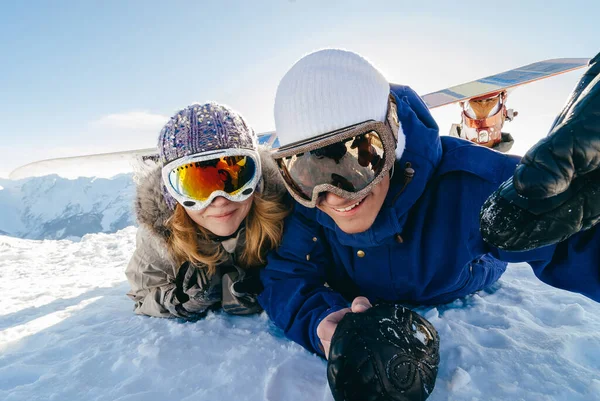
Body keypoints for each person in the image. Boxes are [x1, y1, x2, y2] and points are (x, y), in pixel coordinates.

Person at [257, 49, 600, 361]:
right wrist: (319, 321)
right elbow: (286, 275)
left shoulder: (472, 183)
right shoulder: (308, 206)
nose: (333, 194)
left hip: (460, 274)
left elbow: (572, 240)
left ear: (392, 138)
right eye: (305, 170)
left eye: (355, 161)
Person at [126, 102, 289, 319]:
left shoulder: (282, 211)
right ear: (173, 195)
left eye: (234, 177)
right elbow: (143, 295)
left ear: (257, 178)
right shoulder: (160, 237)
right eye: (196, 185)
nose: (219, 200)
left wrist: (266, 281)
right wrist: (183, 299)